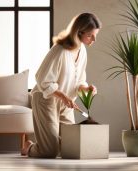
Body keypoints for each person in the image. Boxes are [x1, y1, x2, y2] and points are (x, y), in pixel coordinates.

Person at [21, 13, 101, 158]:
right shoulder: (60, 50)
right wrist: (63, 96)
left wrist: (86, 88)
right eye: (90, 35)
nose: (94, 39)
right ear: (79, 32)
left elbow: (78, 81)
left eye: (95, 35)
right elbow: (42, 79)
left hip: (66, 103)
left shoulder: (82, 51)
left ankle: (49, 143)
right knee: (49, 152)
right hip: (46, 100)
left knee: (71, 146)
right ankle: (29, 147)